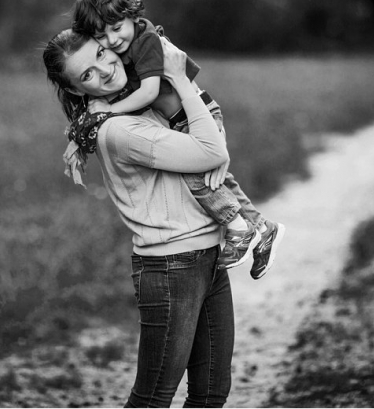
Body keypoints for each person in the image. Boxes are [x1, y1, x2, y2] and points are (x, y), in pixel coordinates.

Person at [44, 29, 240, 406]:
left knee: (212, 391)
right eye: (86, 74)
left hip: (209, 256)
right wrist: (180, 79)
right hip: (172, 268)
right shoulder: (120, 129)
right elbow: (212, 151)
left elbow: (206, 136)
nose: (104, 69)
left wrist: (80, 132)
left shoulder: (132, 103)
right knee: (153, 398)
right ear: (75, 90)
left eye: (102, 53)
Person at [67, 0, 284, 278]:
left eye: (117, 28)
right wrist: (79, 137)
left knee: (197, 177)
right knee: (220, 180)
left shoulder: (146, 43)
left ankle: (240, 229)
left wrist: (108, 111)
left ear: (132, 15)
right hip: (185, 115)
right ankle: (263, 228)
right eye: (102, 36)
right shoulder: (128, 47)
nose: (113, 40)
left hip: (194, 113)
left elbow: (147, 92)